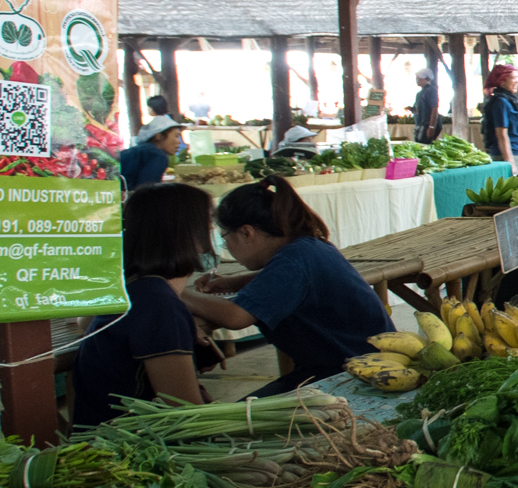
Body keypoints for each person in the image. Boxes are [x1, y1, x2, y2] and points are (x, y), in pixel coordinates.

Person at [181, 176, 393, 395]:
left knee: (237, 423)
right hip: (362, 363)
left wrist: (177, 293)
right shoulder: (308, 247)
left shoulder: (293, 261)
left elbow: (236, 317)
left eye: (225, 238)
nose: (226, 246)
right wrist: (232, 282)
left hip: (352, 374)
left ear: (246, 233)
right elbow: (286, 280)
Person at [71, 182, 217, 428]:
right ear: (185, 231)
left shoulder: (138, 289)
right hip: (125, 451)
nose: (213, 228)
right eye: (208, 221)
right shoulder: (158, 304)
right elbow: (185, 412)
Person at [481, 65, 518, 172]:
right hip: (508, 155)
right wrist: (510, 162)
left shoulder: (513, 101)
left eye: (517, 77)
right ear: (502, 82)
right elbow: (501, 135)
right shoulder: (500, 102)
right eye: (513, 78)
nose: (517, 81)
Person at [117, 115, 187, 188]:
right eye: (176, 136)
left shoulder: (142, 151)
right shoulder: (158, 155)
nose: (179, 142)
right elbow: (147, 191)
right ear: (158, 136)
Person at [413, 68, 442, 144]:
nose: (417, 80)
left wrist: (431, 127)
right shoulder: (420, 93)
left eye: (419, 79)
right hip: (422, 124)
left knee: (425, 145)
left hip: (427, 124)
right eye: (417, 78)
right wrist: (412, 109)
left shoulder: (431, 90)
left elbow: (434, 108)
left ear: (426, 79)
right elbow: (419, 109)